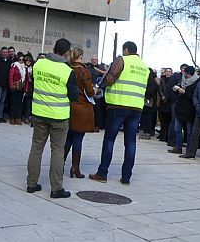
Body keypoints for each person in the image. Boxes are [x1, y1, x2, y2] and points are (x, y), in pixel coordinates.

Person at [89, 41, 150, 185]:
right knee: (130, 142)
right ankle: (126, 177)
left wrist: (99, 85)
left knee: (109, 139)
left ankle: (102, 173)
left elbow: (110, 78)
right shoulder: (144, 67)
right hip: (136, 107)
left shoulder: (121, 60)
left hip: (118, 104)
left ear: (126, 50)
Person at [26, 38, 78, 198]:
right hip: (58, 117)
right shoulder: (68, 71)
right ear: (67, 53)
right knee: (57, 150)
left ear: (54, 48)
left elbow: (33, 85)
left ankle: (31, 184)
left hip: (39, 113)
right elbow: (74, 96)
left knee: (36, 148)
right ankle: (56, 188)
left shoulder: (39, 64)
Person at [63, 48, 95, 179]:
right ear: (80, 57)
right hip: (82, 108)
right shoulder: (84, 71)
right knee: (78, 139)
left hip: (69, 107)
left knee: (68, 137)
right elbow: (89, 91)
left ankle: (60, 163)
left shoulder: (67, 69)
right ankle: (75, 167)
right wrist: (95, 90)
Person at [169, 65, 199, 155]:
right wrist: (176, 89)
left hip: (189, 109)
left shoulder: (197, 82)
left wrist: (184, 92)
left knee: (189, 131)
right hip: (180, 108)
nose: (186, 76)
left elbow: (193, 96)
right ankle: (178, 146)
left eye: (188, 74)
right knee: (177, 128)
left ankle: (189, 150)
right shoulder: (181, 80)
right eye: (185, 73)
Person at [8, 52, 26, 125]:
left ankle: (17, 118)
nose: (21, 61)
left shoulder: (24, 67)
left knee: (19, 103)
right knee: (13, 103)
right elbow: (11, 76)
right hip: (15, 86)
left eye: (22, 59)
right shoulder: (14, 65)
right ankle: (12, 118)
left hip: (21, 86)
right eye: (20, 59)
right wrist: (11, 85)